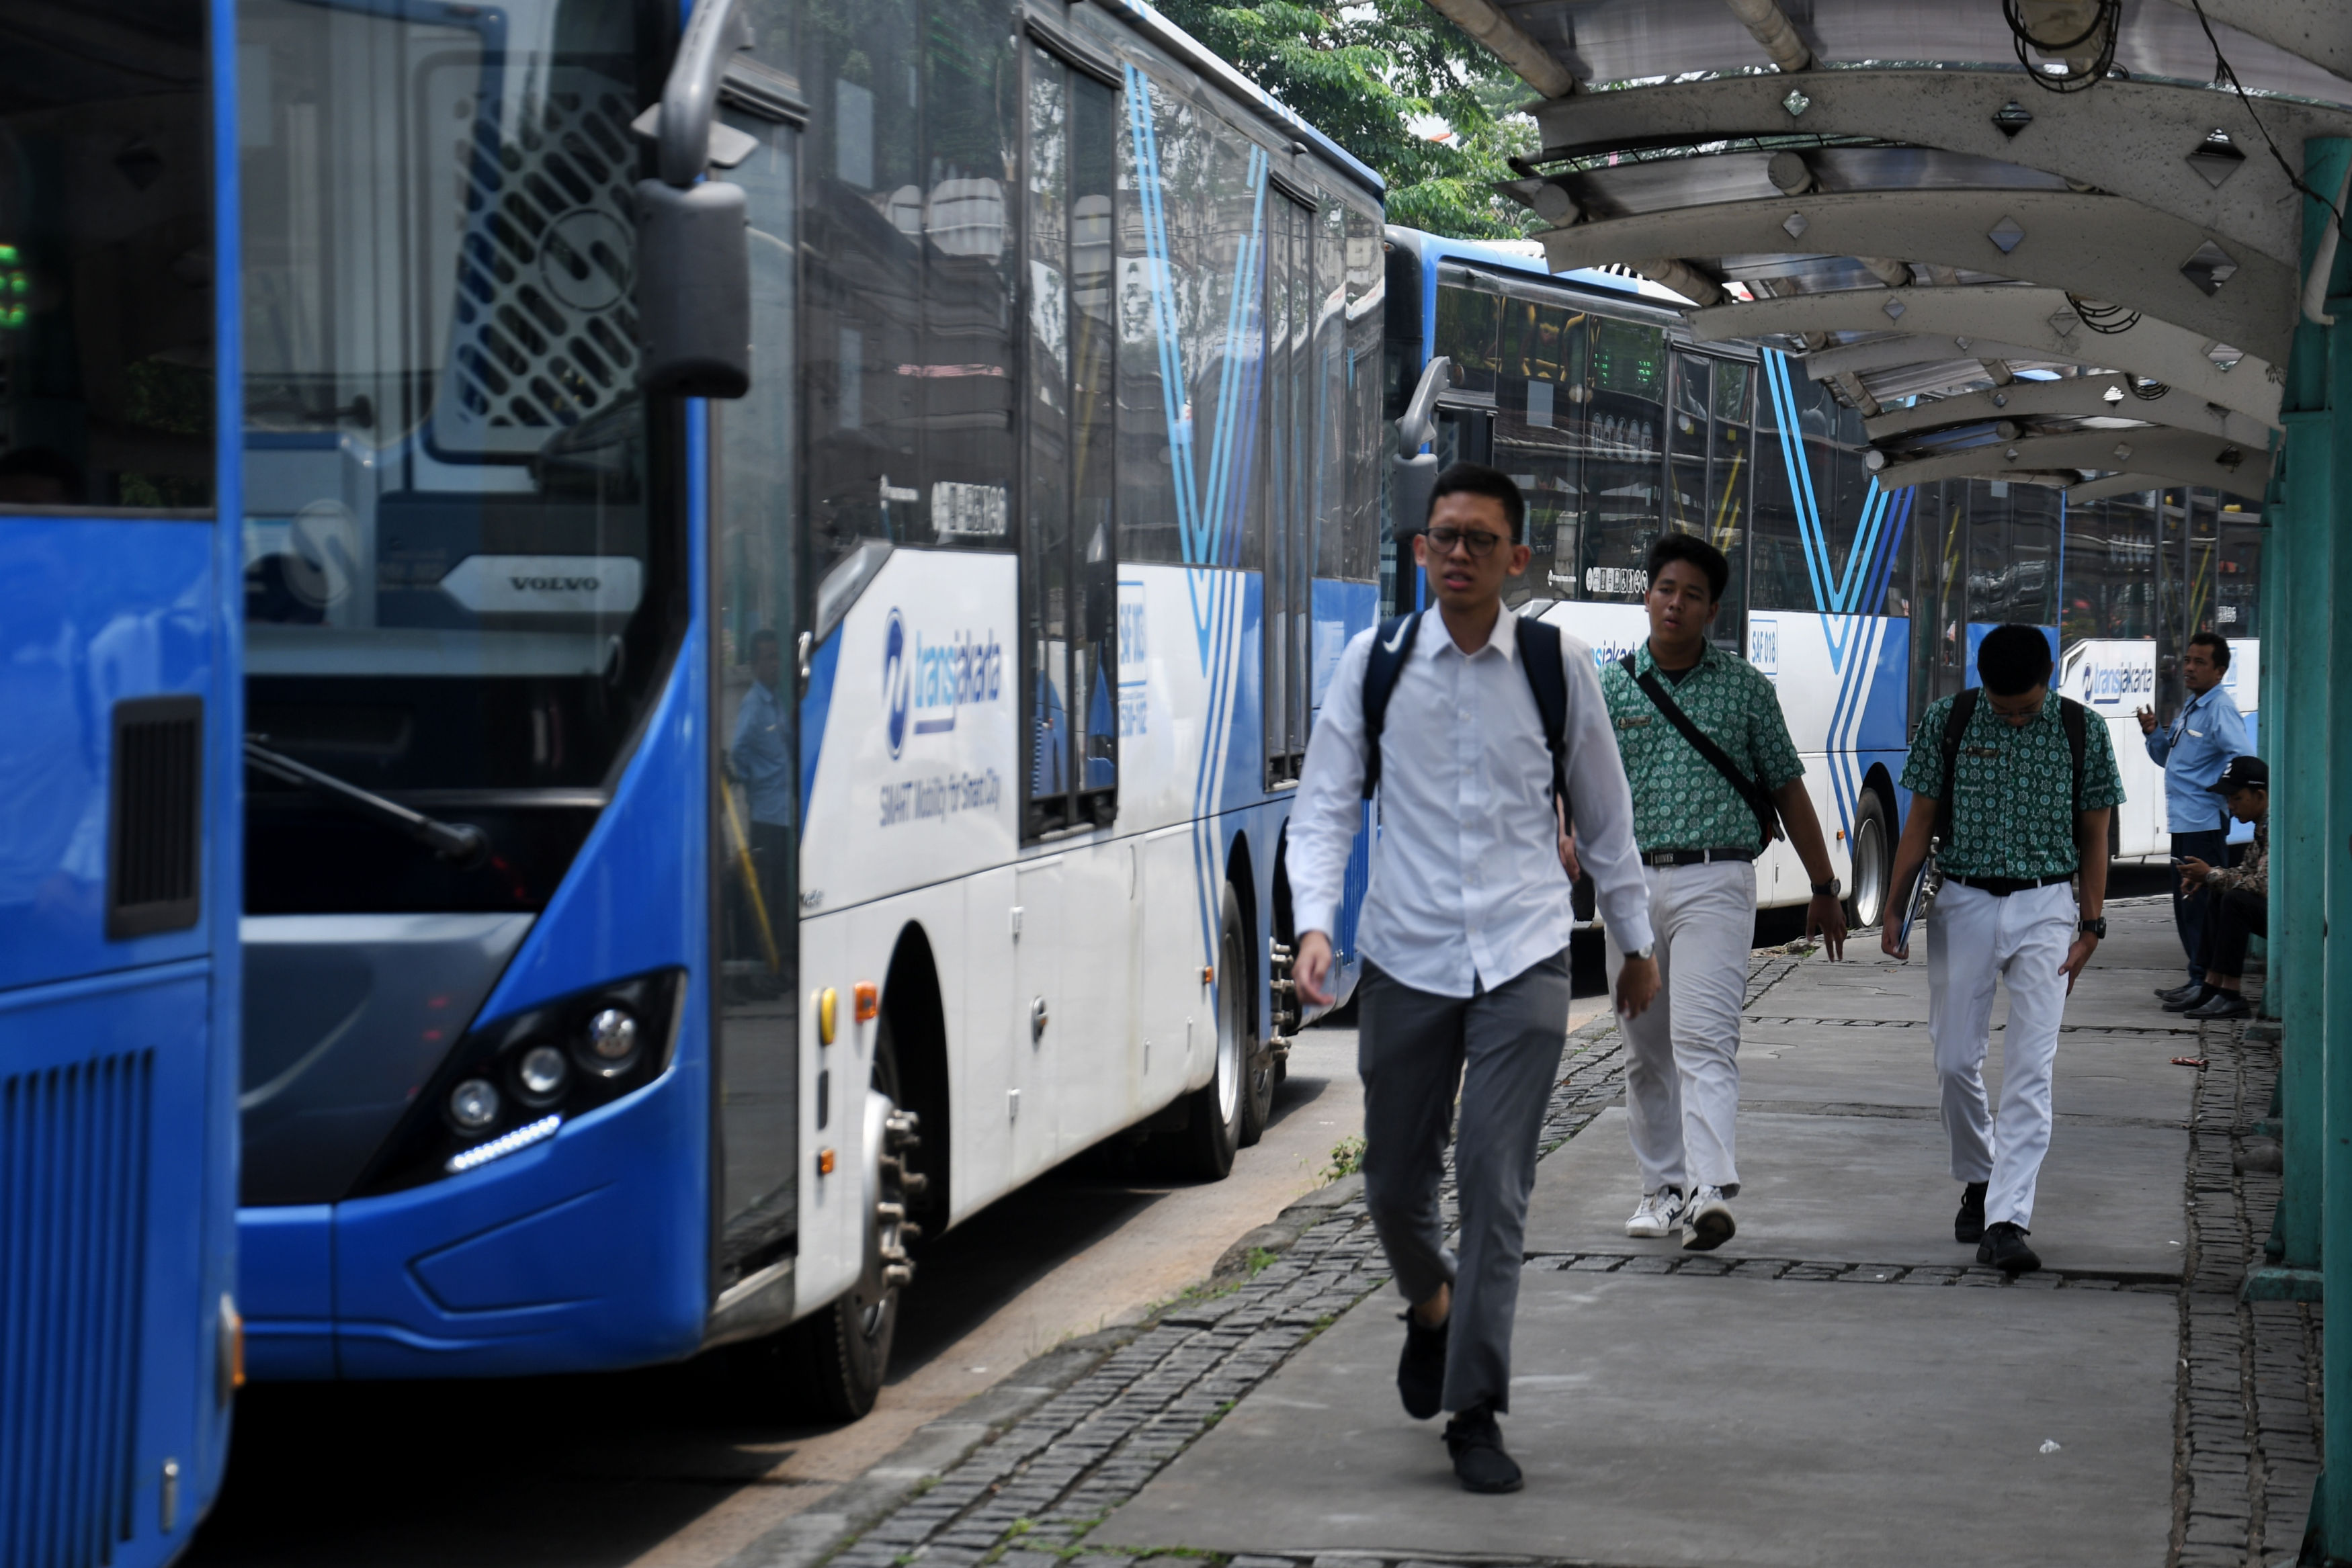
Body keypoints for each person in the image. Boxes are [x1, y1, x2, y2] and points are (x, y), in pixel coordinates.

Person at [1286, 463, 1656, 1495]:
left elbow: (1605, 812)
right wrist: (1316, 926)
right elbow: (1322, 809)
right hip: (1405, 955)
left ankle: (1477, 1406)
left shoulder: (1554, 665)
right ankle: (1431, 1306)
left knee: (1497, 1181)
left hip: (1526, 952)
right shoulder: (1376, 664)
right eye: (1443, 536)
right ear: (1419, 550)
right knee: (1396, 1183)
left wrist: (1634, 943)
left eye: (1480, 541)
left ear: (1517, 559)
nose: (1458, 554)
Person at [1593, 531, 1848, 1252]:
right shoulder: (1611, 688)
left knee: (1702, 1038)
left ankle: (1709, 1187)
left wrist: (1823, 886)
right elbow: (1580, 788)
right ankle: (1660, 1187)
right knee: (1644, 1048)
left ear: (1712, 611)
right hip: (1628, 887)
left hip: (1717, 878)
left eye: (1692, 596)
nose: (1675, 604)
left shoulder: (1744, 690)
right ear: (1646, 596)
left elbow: (1787, 790)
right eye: (1665, 589)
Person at [1883, 624, 2122, 1278]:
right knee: (1955, 1059)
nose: (2014, 718)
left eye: (2025, 707)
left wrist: (2091, 926)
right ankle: (1978, 1176)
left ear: (2048, 677)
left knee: (2029, 1067)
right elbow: (1921, 818)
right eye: (2002, 708)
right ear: (1979, 687)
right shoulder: (1950, 719)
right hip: (1961, 902)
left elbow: (2094, 834)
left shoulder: (2081, 732)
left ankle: (2007, 1220)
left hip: (2047, 907)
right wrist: (1893, 906)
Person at [2136, 632, 2247, 1001]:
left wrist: (2225, 795)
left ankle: (2206, 983)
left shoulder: (2220, 709)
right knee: (2186, 906)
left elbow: (2242, 758)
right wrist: (2153, 734)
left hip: (2204, 823)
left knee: (2202, 906)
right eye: (2187, 660)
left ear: (2220, 671)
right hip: (2183, 821)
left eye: (2200, 662)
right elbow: (2173, 761)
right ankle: (2196, 977)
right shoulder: (2192, 706)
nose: (2188, 668)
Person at [2166, 755, 2269, 1021]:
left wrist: (2211, 874)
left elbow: (2263, 885)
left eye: (2236, 798)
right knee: (2219, 891)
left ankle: (2231, 994)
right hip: (2278, 908)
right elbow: (2246, 872)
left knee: (2236, 901)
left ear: (2259, 795)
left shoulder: (2277, 828)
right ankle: (2210, 984)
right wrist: (2209, 878)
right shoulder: (2262, 826)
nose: (2230, 806)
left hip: (2297, 915)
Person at [728, 629, 794, 976]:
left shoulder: (776, 701)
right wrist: (756, 782)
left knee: (779, 891)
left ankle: (777, 961)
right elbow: (738, 749)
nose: (774, 665)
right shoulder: (754, 705)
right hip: (766, 813)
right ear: (754, 665)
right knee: (765, 894)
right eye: (767, 658)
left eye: (776, 657)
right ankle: (764, 965)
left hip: (782, 813)